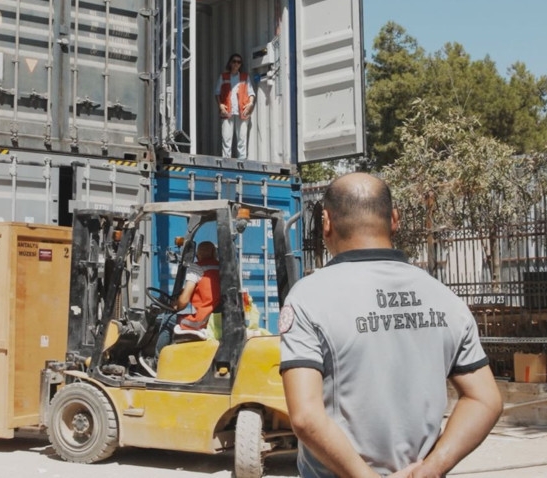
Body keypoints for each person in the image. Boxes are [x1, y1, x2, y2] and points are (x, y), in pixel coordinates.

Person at [279, 173, 502, 478]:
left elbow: (305, 416)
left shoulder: (308, 297)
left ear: (326, 222)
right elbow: (485, 399)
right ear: (394, 220)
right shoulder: (445, 298)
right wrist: (433, 467)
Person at [144, 241, 221, 376]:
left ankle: (157, 363)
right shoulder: (221, 268)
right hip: (215, 320)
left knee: (167, 319)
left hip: (201, 320)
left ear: (197, 255)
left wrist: (176, 305)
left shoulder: (197, 268)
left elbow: (184, 301)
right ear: (214, 253)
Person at [215, 53, 255, 160]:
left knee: (242, 140)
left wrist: (250, 104)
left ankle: (241, 164)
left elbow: (251, 93)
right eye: (234, 61)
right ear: (230, 63)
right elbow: (217, 93)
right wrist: (220, 106)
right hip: (227, 112)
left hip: (242, 112)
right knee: (226, 140)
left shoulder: (245, 77)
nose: (236, 64)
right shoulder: (223, 77)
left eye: (239, 62)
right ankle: (226, 164)